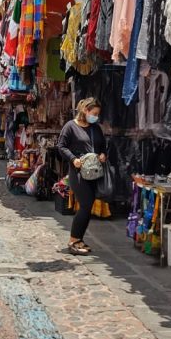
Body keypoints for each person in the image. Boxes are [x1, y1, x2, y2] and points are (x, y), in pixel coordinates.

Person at [57, 98, 107, 256]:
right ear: (85, 110)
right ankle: (73, 240)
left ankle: (78, 239)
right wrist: (73, 159)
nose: (96, 117)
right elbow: (61, 146)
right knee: (85, 205)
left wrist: (103, 155)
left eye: (97, 114)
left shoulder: (95, 128)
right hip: (78, 172)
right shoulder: (70, 126)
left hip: (94, 172)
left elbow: (103, 146)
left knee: (89, 205)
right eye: (94, 113)